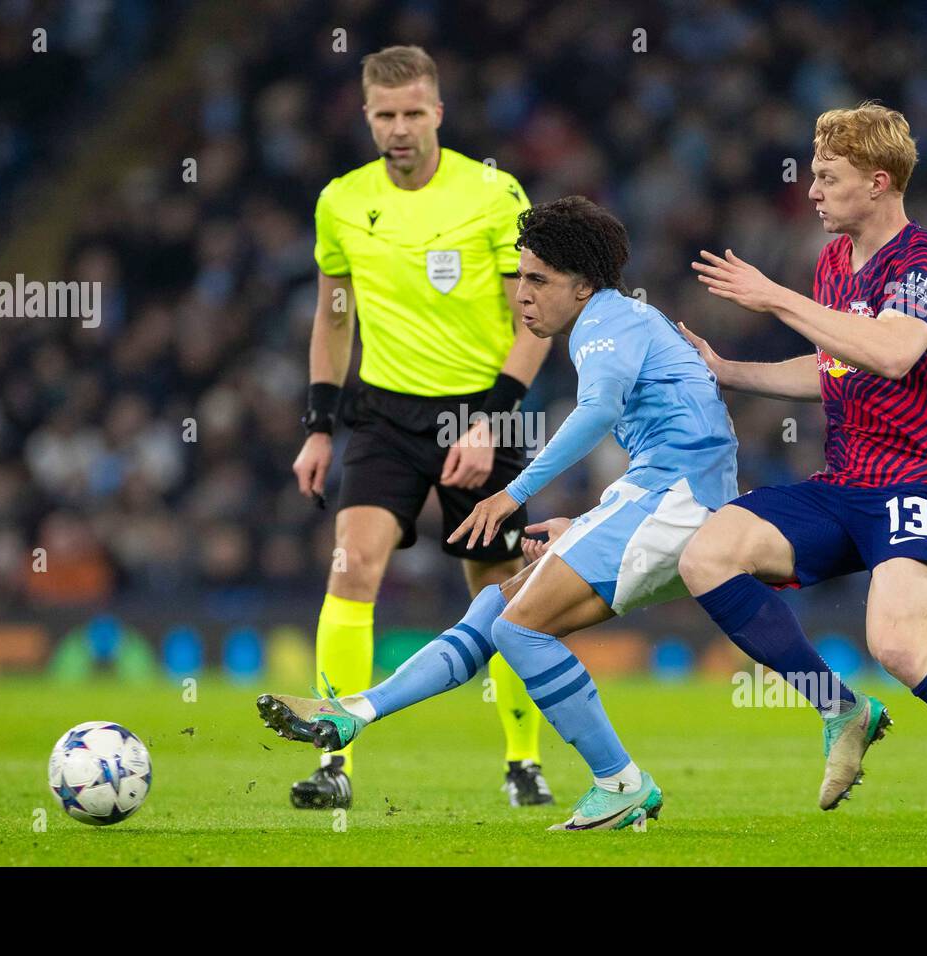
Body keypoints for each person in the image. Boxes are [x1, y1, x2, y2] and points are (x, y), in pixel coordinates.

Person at [258, 196, 741, 830]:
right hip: (663, 500)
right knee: (495, 607)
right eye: (518, 279)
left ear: (582, 285)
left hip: (675, 501)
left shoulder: (605, 321)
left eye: (537, 280)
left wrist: (513, 492)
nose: (521, 296)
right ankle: (355, 711)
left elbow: (596, 413)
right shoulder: (622, 321)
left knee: (518, 627)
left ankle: (619, 782)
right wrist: (596, 518)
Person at [677, 102, 927, 836]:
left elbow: (893, 352)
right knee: (707, 554)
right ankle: (840, 709)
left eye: (829, 177)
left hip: (919, 480)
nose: (812, 191)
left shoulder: (926, 261)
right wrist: (729, 369)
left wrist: (772, 296)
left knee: (894, 643)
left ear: (880, 181)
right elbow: (835, 363)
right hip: (845, 480)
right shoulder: (834, 262)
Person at [289, 45, 553, 810]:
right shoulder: (341, 201)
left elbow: (532, 318)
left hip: (484, 409)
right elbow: (333, 316)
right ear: (366, 117)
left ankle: (522, 760)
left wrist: (491, 420)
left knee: (501, 589)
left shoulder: (494, 194)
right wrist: (318, 426)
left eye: (412, 113)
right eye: (384, 115)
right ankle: (334, 760)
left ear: (437, 111)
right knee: (352, 567)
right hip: (383, 413)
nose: (399, 129)